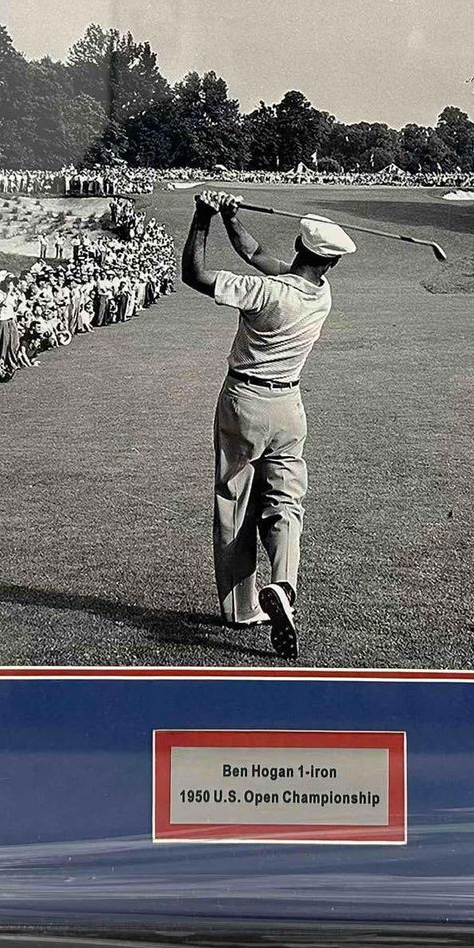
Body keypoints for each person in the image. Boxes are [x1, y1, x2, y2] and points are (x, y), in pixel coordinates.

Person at [181, 190, 355, 659]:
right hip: (289, 407)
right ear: (331, 262)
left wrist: (204, 216)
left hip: (245, 402)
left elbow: (195, 274)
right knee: (285, 502)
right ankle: (283, 584)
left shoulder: (265, 292)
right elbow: (255, 252)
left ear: (299, 245)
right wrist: (232, 218)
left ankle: (242, 607)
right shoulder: (321, 294)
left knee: (235, 502)